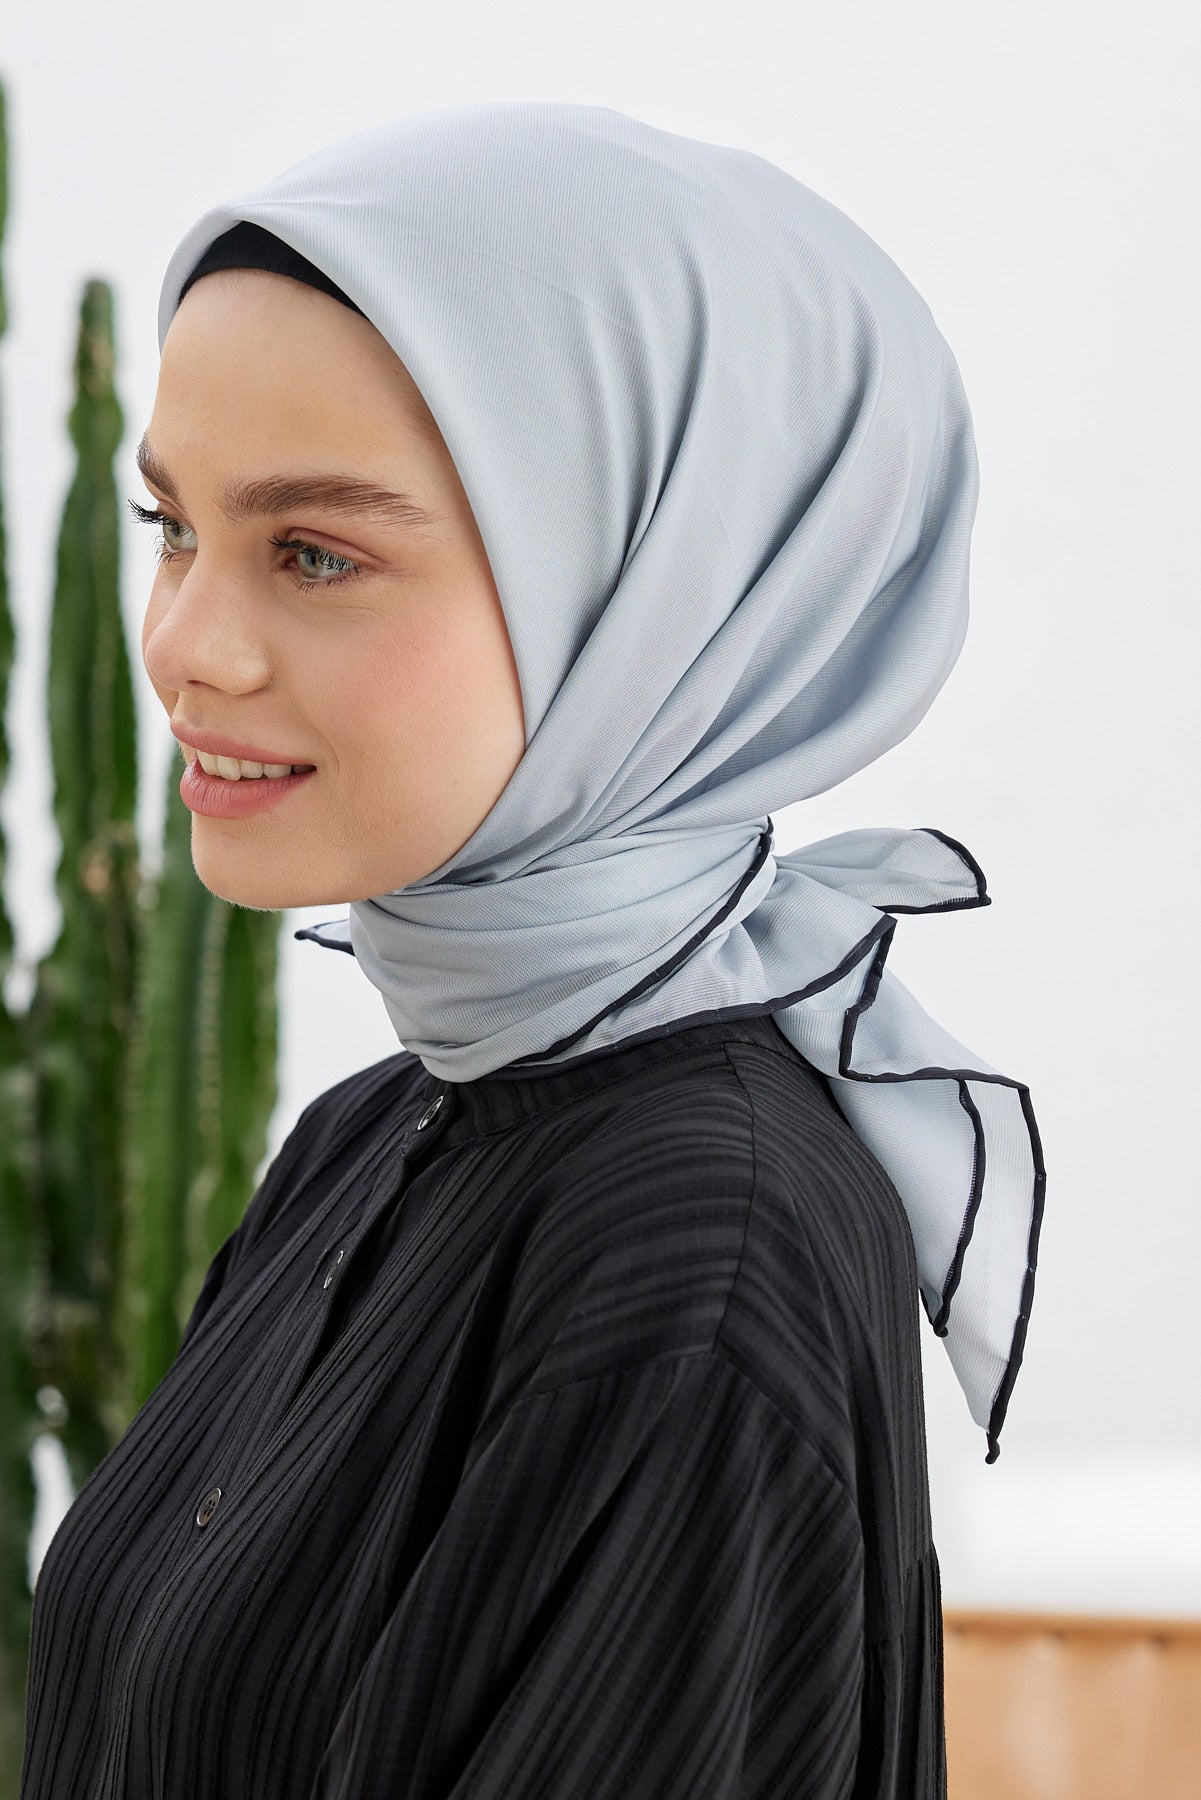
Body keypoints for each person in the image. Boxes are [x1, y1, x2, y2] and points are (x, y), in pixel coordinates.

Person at [20, 102, 1045, 1799]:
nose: (187, 645)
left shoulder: (691, 1254)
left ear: (653, 590)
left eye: (315, 554)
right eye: (173, 529)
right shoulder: (378, 1135)